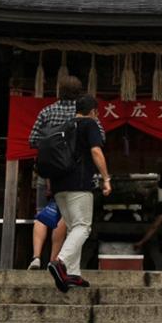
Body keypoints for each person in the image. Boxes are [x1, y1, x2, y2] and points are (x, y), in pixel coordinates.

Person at [48, 94, 111, 292]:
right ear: (93, 111)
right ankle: (60, 261)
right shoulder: (90, 124)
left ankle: (73, 274)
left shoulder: (64, 127)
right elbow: (96, 151)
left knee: (73, 228)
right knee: (83, 227)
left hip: (59, 186)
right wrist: (106, 178)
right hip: (79, 183)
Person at [28, 195, 66, 270]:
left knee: (42, 214)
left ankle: (36, 258)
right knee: (61, 217)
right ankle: (53, 261)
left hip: (44, 188)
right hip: (65, 189)